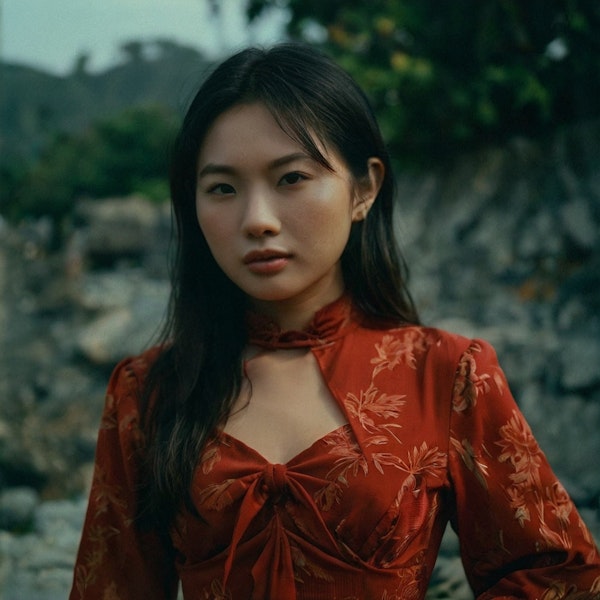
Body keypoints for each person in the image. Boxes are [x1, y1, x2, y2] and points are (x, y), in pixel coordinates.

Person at [69, 42, 600, 600]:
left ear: (364, 189)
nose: (257, 220)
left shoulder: (445, 373)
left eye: (292, 178)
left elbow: (560, 572)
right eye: (222, 188)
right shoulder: (147, 393)